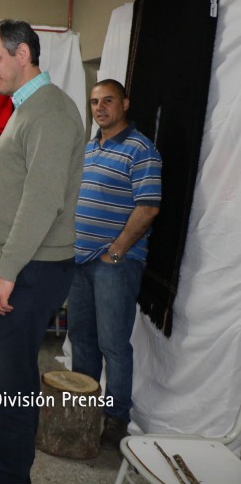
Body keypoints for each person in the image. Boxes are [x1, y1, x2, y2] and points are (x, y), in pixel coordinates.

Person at [0, 19, 85, 484]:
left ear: (23, 54)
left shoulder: (48, 111)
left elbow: (43, 201)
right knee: (8, 374)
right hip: (25, 263)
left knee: (11, 377)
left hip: (32, 267)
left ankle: (11, 476)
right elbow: (27, 182)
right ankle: (8, 465)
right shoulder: (28, 109)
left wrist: (6, 271)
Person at [68, 79, 162, 449]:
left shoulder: (142, 150)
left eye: (108, 100)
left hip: (115, 265)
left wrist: (118, 250)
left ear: (125, 103)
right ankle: (83, 407)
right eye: (94, 102)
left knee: (113, 344)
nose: (100, 108)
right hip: (79, 262)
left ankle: (116, 417)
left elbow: (149, 206)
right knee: (81, 339)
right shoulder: (90, 149)